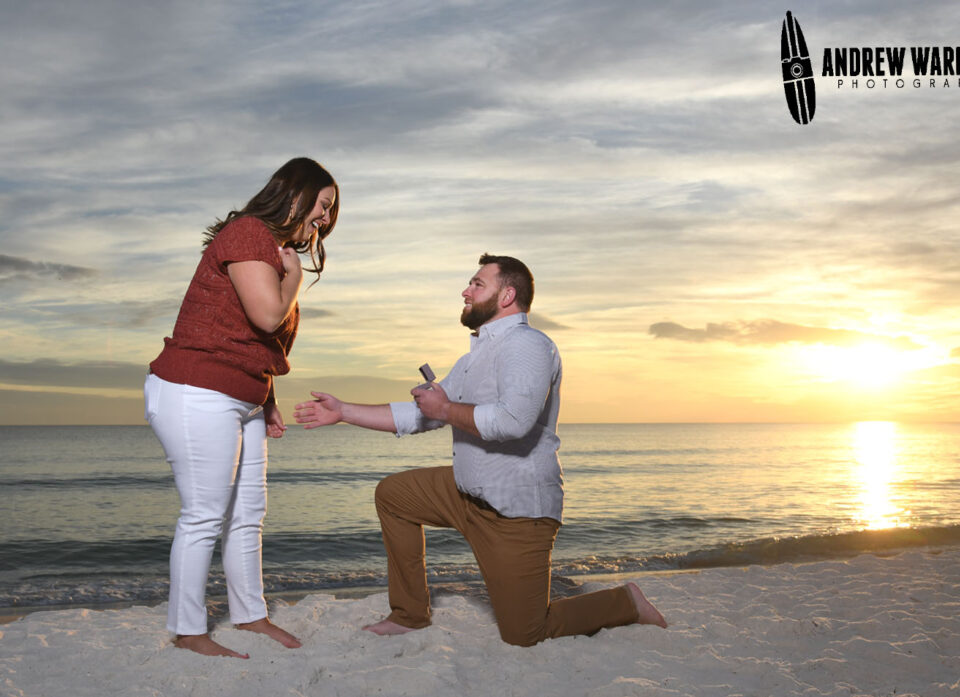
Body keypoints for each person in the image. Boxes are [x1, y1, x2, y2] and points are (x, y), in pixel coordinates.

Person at [293, 254, 666, 646]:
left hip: (515, 510)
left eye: (476, 284)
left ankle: (626, 602)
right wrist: (344, 411)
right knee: (393, 495)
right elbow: (421, 415)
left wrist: (447, 408)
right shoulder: (474, 358)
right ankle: (409, 614)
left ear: (507, 295)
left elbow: (513, 421)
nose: (465, 291)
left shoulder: (528, 345)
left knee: (525, 634)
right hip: (464, 493)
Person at [144, 157, 339, 659]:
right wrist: (292, 277)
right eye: (322, 205)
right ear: (296, 194)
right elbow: (267, 315)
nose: (325, 219)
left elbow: (251, 342)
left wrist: (267, 398)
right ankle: (189, 631)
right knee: (204, 515)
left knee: (248, 514)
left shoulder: (270, 248)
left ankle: (250, 616)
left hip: (242, 396)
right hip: (197, 389)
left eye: (330, 212)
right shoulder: (249, 233)